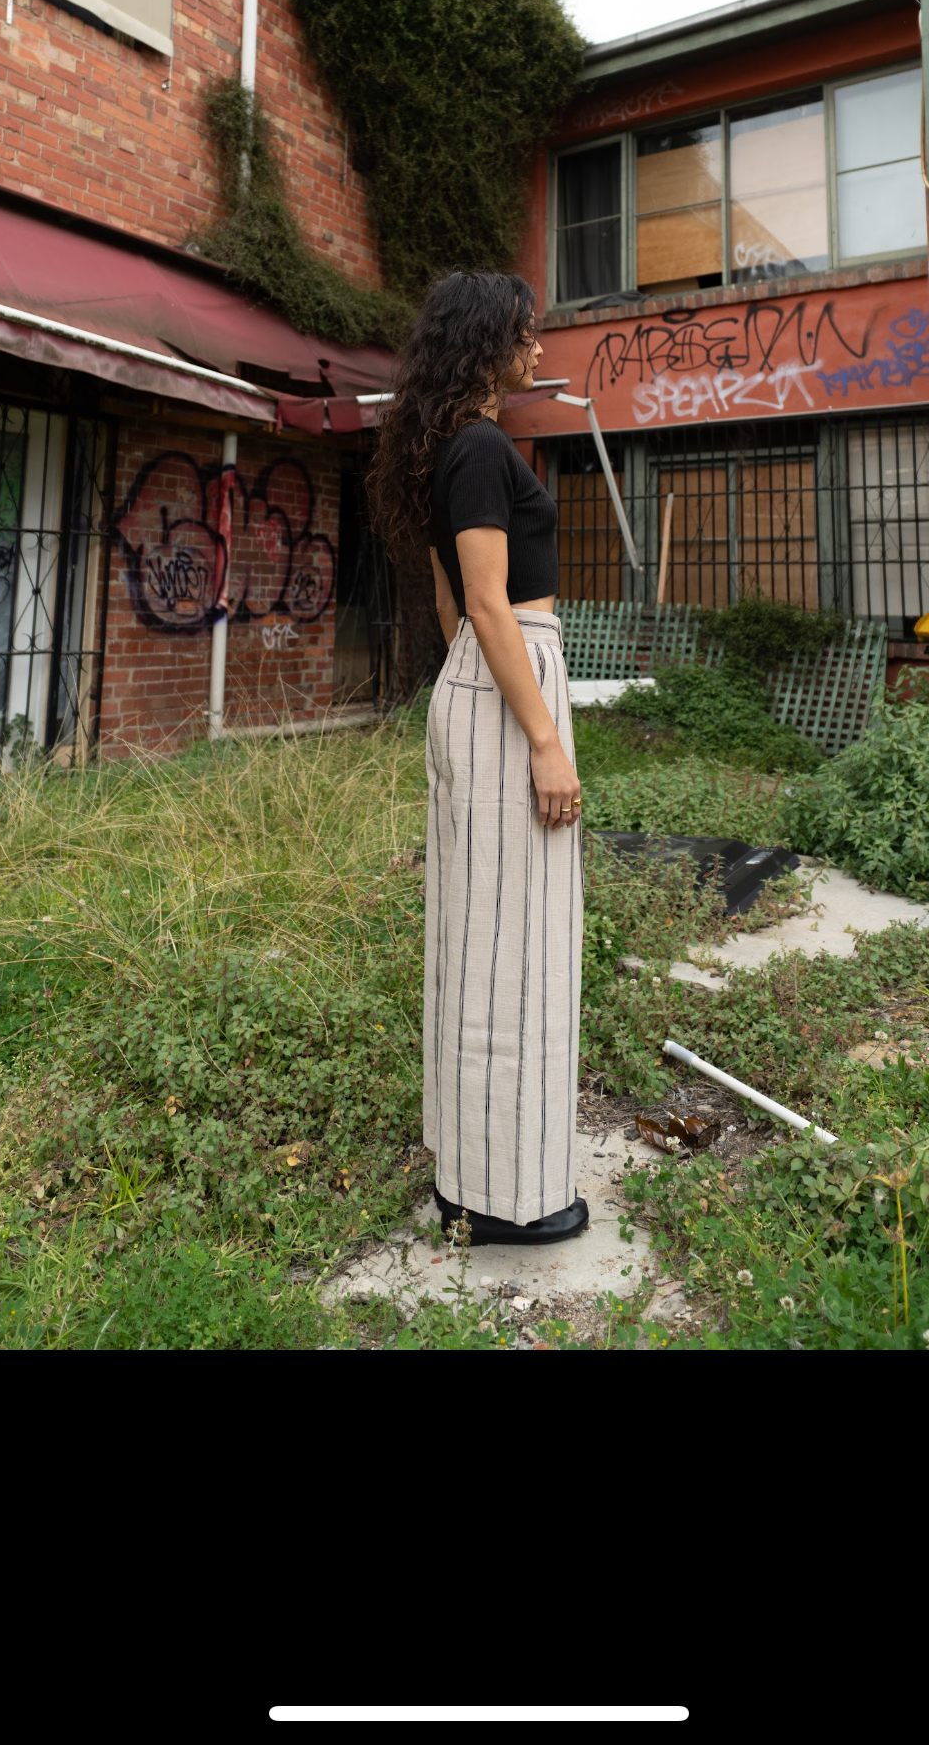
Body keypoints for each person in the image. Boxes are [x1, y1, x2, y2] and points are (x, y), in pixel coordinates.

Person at [368, 270, 588, 1247]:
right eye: (522, 336)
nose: (536, 351)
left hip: (481, 681)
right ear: (484, 344)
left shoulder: (446, 449)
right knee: (522, 944)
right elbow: (490, 605)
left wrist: (484, 686)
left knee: (479, 938)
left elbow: (454, 606)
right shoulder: (484, 447)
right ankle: (507, 1196)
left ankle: (473, 1174)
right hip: (510, 688)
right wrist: (541, 737)